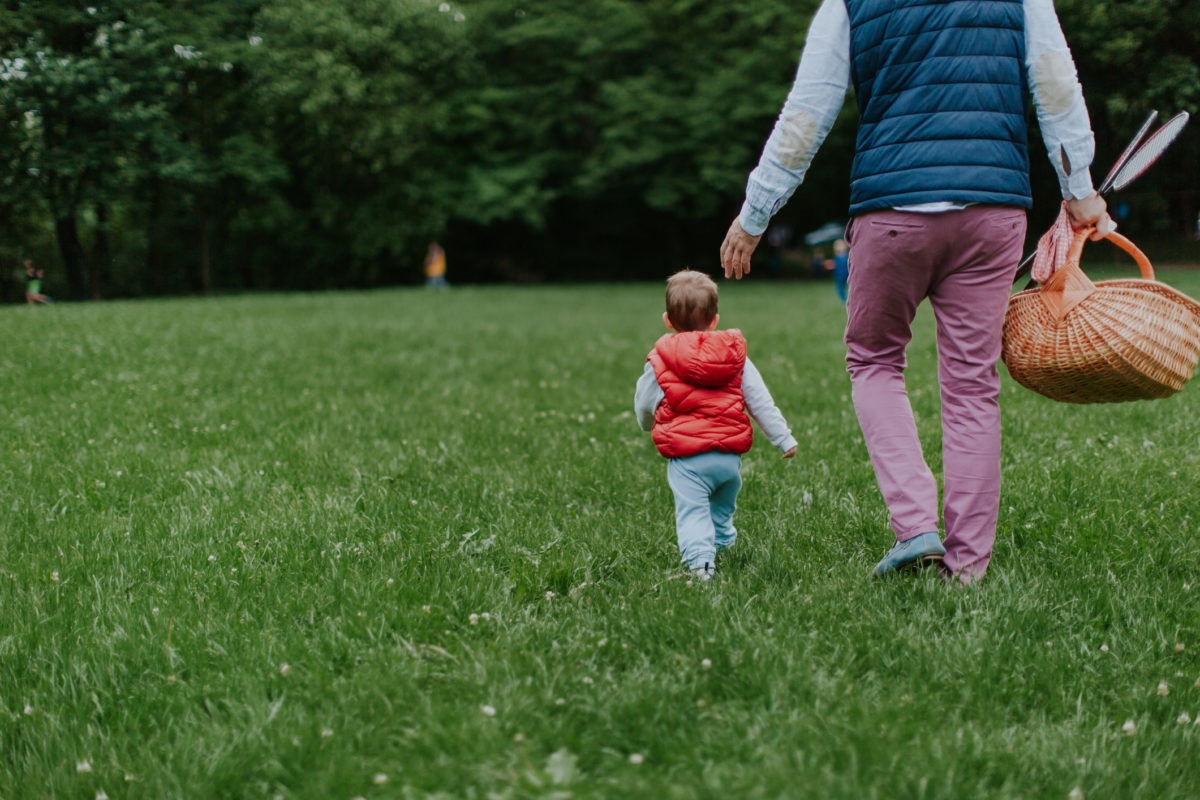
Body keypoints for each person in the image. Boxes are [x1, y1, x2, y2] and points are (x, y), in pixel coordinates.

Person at [719, 0, 1110, 583]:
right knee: (973, 386)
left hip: (891, 213)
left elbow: (807, 114)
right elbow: (1057, 87)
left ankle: (916, 528)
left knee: (873, 361)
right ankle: (968, 567)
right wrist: (1079, 190)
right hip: (992, 210)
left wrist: (754, 215)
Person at [635, 270, 798, 581]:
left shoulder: (660, 360)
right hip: (728, 457)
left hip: (688, 458)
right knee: (721, 509)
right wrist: (783, 438)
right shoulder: (735, 357)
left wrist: (645, 424)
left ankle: (701, 566)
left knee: (693, 513)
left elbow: (645, 403)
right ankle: (723, 545)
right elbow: (759, 400)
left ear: (667, 321)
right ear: (714, 320)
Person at [831, 238, 850, 303]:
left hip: (847, 274)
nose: (840, 248)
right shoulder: (836, 257)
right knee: (840, 287)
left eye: (841, 246)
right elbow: (834, 265)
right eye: (838, 246)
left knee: (850, 286)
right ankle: (842, 298)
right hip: (839, 275)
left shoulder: (848, 255)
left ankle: (850, 297)